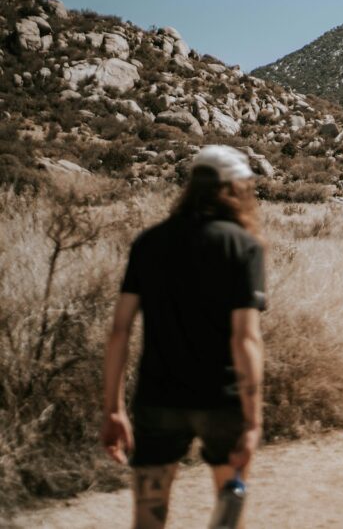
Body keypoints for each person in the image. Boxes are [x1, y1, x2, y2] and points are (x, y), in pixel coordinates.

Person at [101, 145, 267, 529]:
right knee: (229, 513)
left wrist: (113, 409)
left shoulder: (149, 242)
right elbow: (245, 339)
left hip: (158, 398)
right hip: (222, 401)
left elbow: (119, 330)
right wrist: (253, 420)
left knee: (149, 515)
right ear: (235, 189)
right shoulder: (242, 246)